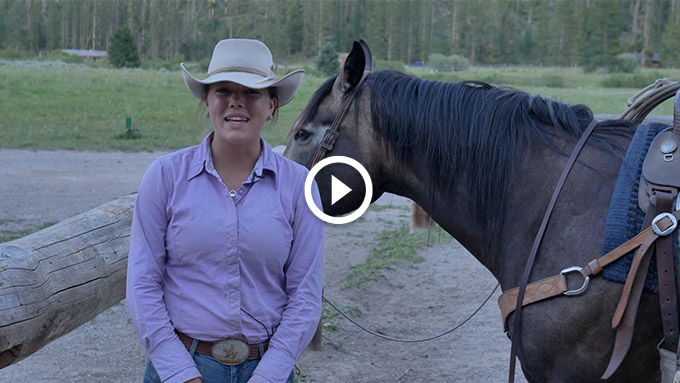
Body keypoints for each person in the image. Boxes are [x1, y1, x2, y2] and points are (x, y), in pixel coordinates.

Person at [126, 39, 324, 383]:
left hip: (267, 369)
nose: (236, 101)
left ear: (272, 105)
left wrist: (270, 375)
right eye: (223, 90)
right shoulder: (166, 176)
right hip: (182, 366)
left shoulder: (299, 186)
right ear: (206, 102)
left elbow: (305, 294)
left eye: (252, 92)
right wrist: (180, 373)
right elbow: (143, 283)